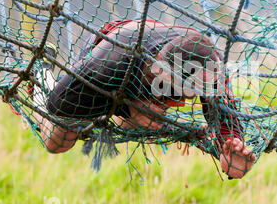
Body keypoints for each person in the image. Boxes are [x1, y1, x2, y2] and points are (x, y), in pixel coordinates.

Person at [32, 20, 256, 179]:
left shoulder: (211, 65)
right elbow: (56, 103)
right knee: (57, 142)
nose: (206, 92)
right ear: (165, 74)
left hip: (152, 65)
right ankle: (42, 68)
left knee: (143, 125)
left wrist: (230, 149)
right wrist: (132, 107)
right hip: (110, 61)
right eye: (197, 86)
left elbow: (224, 120)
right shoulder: (108, 65)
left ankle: (122, 117)